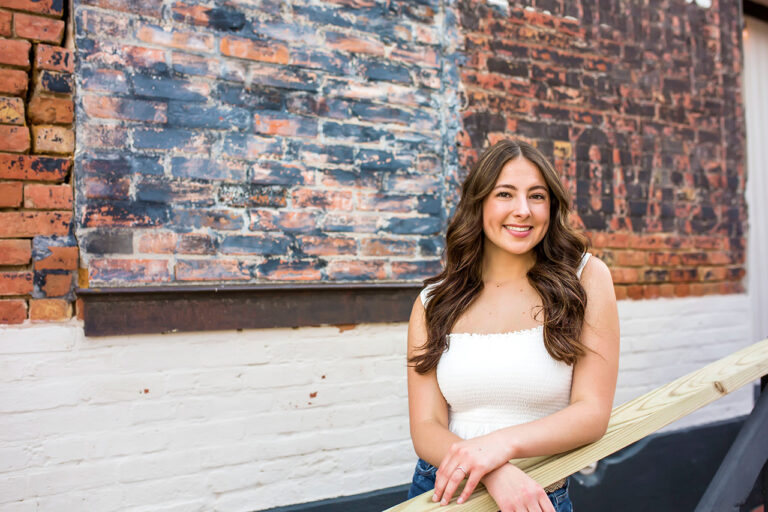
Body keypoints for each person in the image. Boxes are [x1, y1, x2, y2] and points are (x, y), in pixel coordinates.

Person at [406, 139, 620, 512]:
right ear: (480, 203)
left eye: (536, 196)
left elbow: (592, 414)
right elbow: (426, 426)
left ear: (550, 207)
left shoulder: (585, 279)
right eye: (505, 194)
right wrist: (492, 470)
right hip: (442, 494)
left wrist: (497, 449)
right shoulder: (433, 302)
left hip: (534, 497)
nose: (522, 210)